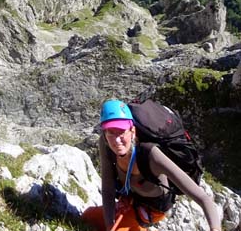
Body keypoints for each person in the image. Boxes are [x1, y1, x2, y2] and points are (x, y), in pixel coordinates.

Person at [81, 99, 221, 231]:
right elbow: (108, 189)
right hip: (129, 198)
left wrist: (215, 228)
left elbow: (204, 199)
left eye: (121, 132)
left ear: (132, 131)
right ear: (104, 133)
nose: (117, 140)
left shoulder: (151, 155)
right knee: (87, 217)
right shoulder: (105, 144)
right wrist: (110, 225)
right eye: (111, 132)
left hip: (152, 208)